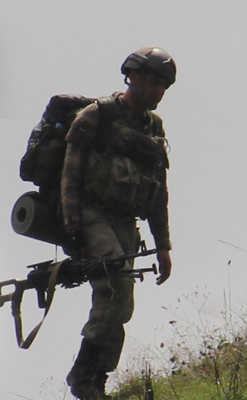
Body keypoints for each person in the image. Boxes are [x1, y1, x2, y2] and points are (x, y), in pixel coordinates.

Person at [60, 46, 176, 400]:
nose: (158, 91)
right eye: (154, 82)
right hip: (92, 215)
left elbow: (158, 191)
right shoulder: (98, 115)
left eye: (164, 85)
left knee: (123, 306)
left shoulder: (154, 127)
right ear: (133, 77)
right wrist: (72, 224)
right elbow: (71, 171)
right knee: (116, 287)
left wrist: (163, 245)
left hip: (126, 221)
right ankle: (82, 376)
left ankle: (97, 379)